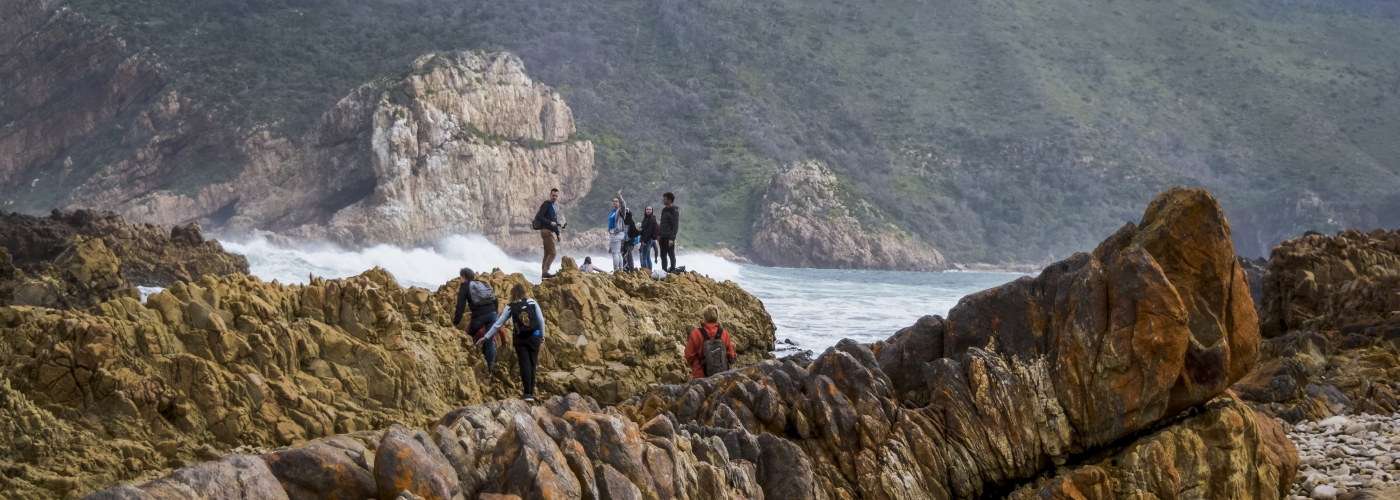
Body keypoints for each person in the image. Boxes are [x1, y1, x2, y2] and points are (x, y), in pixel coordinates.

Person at [479, 283, 546, 402]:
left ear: (512, 293)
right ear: (524, 292)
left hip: (520, 339)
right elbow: (541, 320)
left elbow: (498, 324)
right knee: (532, 364)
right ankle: (531, 393)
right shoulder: (532, 302)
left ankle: (527, 394)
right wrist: (542, 335)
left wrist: (486, 337)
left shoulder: (510, 307)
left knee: (524, 364)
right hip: (534, 337)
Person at [452, 268, 499, 376]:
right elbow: (495, 299)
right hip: (492, 313)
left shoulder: (464, 286)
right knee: (490, 340)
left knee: (469, 336)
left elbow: (460, 305)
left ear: (463, 277)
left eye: (460, 278)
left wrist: (456, 322)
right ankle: (489, 370)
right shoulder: (482, 283)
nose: (460, 280)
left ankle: (472, 360)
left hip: (479, 315)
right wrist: (494, 313)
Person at [683, 305, 735, 379]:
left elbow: (689, 355)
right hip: (720, 376)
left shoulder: (696, 333)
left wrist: (697, 364)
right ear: (717, 317)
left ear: (704, 317)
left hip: (700, 376)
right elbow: (731, 355)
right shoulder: (724, 333)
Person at [534, 188, 565, 278]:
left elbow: (554, 221)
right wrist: (549, 222)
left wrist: (558, 233)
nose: (554, 197)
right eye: (553, 195)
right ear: (550, 195)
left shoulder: (553, 207)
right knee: (553, 253)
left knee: (547, 253)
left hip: (549, 230)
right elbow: (539, 216)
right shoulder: (546, 205)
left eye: (556, 196)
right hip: (546, 230)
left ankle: (543, 274)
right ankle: (545, 273)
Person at [607, 189, 629, 272]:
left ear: (619, 203)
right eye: (613, 201)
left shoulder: (620, 210)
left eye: (616, 201)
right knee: (618, 252)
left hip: (616, 232)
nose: (614, 202)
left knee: (614, 253)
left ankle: (616, 270)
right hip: (614, 233)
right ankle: (621, 270)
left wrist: (620, 196)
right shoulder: (613, 211)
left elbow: (624, 205)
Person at [659, 192, 680, 272]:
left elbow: (675, 226)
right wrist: (659, 234)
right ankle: (663, 271)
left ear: (670, 200)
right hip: (662, 236)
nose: (663, 200)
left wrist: (672, 238)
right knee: (663, 255)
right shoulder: (664, 210)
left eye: (665, 199)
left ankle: (673, 270)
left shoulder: (674, 211)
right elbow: (662, 223)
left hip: (669, 237)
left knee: (671, 254)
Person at [639, 206, 659, 271]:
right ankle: (649, 271)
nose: (648, 210)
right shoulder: (645, 219)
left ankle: (645, 271)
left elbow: (650, 231)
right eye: (647, 209)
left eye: (650, 209)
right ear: (645, 210)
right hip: (645, 239)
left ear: (652, 211)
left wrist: (644, 241)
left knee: (643, 257)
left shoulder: (652, 219)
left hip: (647, 240)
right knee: (647, 257)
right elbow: (643, 230)